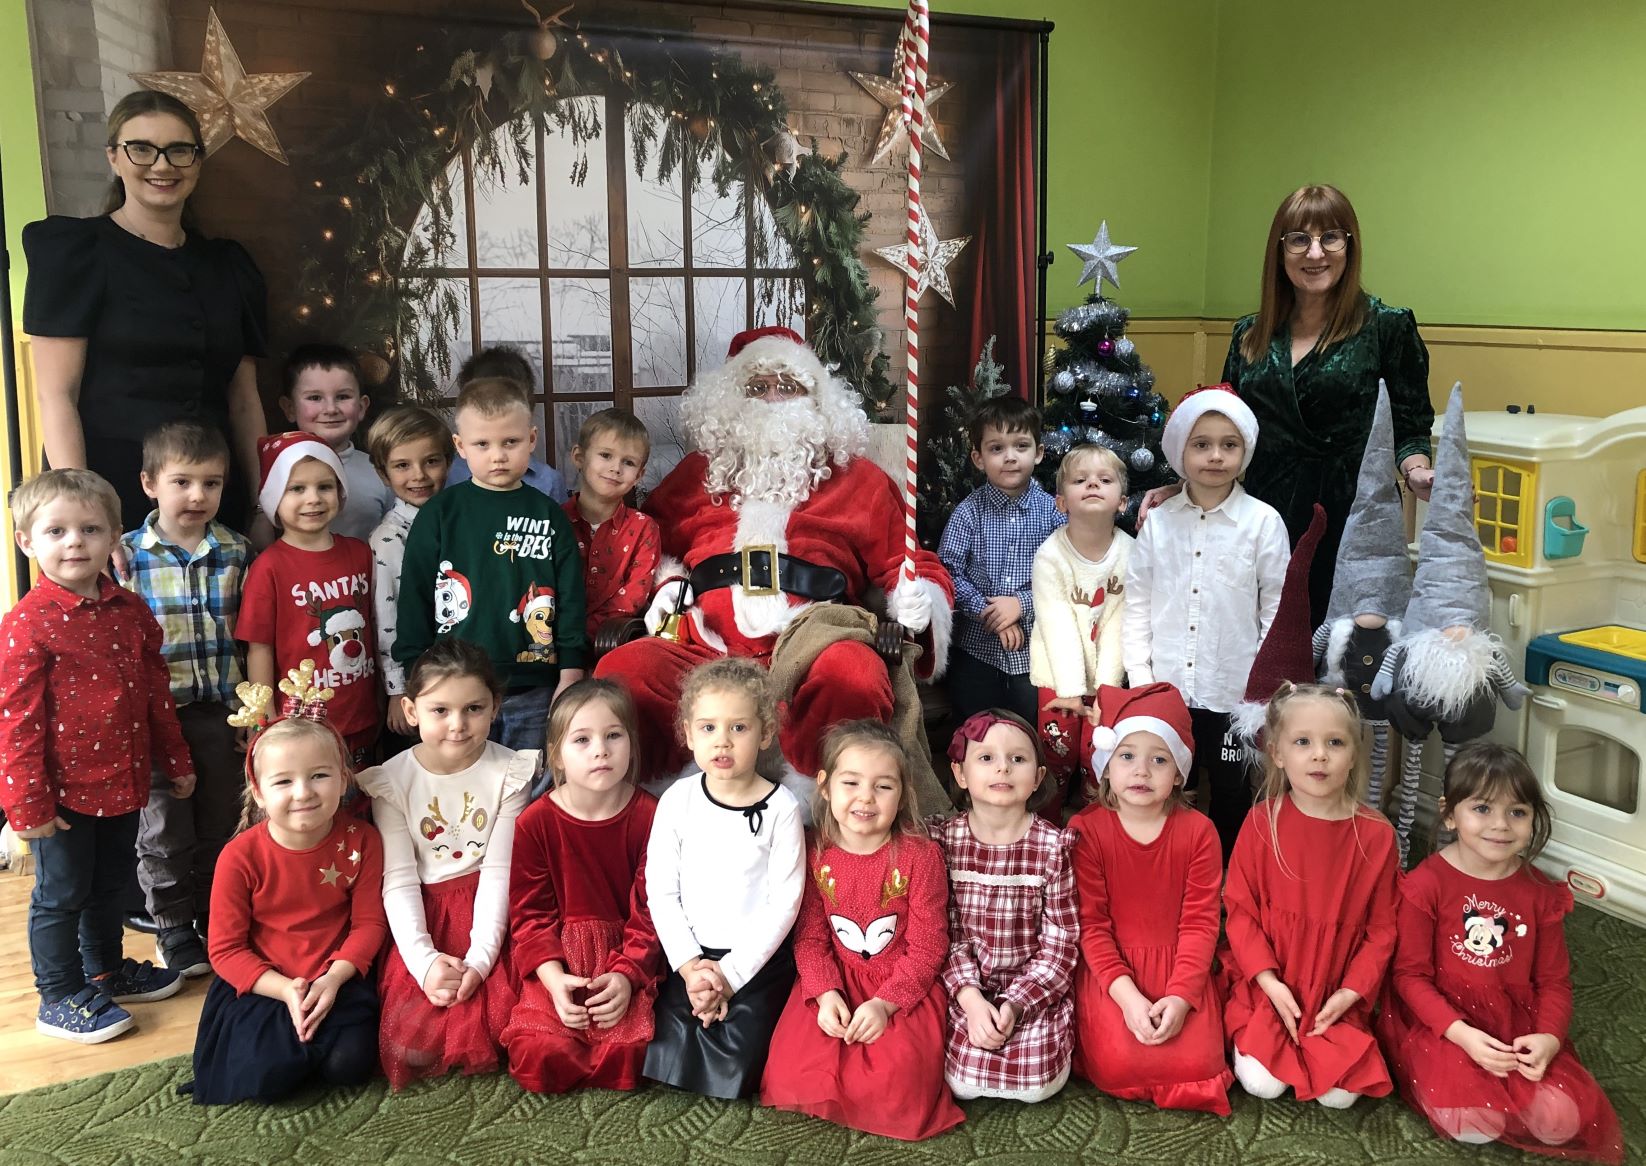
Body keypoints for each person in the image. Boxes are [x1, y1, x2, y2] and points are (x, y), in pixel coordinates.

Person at [596, 327, 952, 797]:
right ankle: (663, 805)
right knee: (625, 671)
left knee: (854, 674)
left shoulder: (859, 479)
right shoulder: (695, 474)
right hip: (707, 645)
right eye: (756, 386)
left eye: (788, 386)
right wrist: (667, 581)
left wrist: (918, 596)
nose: (772, 398)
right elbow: (652, 543)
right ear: (730, 401)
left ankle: (819, 803)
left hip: (814, 639)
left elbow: (908, 561)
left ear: (816, 399)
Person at [1145, 185, 1434, 624]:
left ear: (1350, 245)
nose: (1315, 253)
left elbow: (1410, 425)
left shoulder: (1386, 327)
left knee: (1342, 645)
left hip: (1352, 518)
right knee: (1258, 635)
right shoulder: (1250, 334)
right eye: (1299, 239)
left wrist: (1417, 472)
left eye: (1330, 237)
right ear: (1280, 251)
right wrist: (1185, 483)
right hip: (1261, 512)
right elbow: (1224, 426)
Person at [1, 469, 193, 1042]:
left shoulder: (130, 611)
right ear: (26, 541)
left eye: (89, 529)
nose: (74, 543)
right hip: (60, 796)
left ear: (114, 537)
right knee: (61, 895)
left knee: (111, 884)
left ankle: (105, 971)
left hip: (125, 782)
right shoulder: (26, 625)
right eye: (56, 531)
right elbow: (17, 723)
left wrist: (176, 760)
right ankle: (58, 994)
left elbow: (156, 693)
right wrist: (26, 805)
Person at [23, 89, 267, 533]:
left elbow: (245, 402)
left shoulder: (228, 265)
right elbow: (57, 396)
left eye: (179, 150)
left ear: (197, 161)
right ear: (114, 157)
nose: (162, 165)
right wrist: (86, 515)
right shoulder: (75, 252)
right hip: (111, 492)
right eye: (142, 149)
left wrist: (260, 506)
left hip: (212, 495)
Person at [1378, 744, 1623, 1161]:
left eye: (1517, 812)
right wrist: (1462, 1034)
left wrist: (1548, 1038)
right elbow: (1409, 977)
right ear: (1450, 814)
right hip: (1443, 1022)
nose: (1501, 825)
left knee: (1561, 1122)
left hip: (1515, 1022)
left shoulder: (1540, 892)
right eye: (1482, 808)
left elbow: (1554, 982)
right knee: (1472, 1124)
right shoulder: (1425, 884)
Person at [761, 721, 963, 1141]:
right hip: (834, 977)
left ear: (903, 794)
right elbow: (810, 937)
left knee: (898, 1082)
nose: (866, 797)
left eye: (883, 786)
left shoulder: (920, 856)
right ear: (825, 786)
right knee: (791, 1070)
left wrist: (885, 1005)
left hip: (900, 987)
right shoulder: (813, 850)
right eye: (851, 782)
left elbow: (928, 946)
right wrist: (825, 993)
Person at [185, 694, 386, 1104]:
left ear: (343, 779)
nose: (303, 792)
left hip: (337, 978)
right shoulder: (239, 857)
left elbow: (369, 924)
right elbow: (225, 950)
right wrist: (286, 990)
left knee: (349, 1065)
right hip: (265, 983)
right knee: (266, 1078)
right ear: (258, 792)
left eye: (319, 775)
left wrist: (333, 979)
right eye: (283, 781)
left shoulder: (363, 840)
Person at [354, 640, 533, 1089]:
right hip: (426, 915)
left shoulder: (510, 772)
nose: (458, 724)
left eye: (474, 708)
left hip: (493, 911)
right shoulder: (392, 781)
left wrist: (481, 958)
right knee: (411, 1038)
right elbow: (398, 880)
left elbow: (499, 871)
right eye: (440, 710)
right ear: (411, 711)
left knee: (514, 1020)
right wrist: (424, 961)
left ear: (495, 707)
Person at [1124, 386, 1290, 860]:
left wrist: (1262, 686)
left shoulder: (1263, 523)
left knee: (1232, 791)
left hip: (1233, 693)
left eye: (1228, 444)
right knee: (1165, 787)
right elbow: (1137, 603)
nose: (1216, 456)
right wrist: (1142, 681)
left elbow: (1276, 610)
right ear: (1181, 450)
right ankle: (1169, 868)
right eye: (1202, 444)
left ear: (1245, 451)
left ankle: (1225, 877)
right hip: (1166, 688)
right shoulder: (1159, 523)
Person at [1222, 682, 1398, 1109]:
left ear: (1353, 754)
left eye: (1335, 742)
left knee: (1341, 1097)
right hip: (1270, 984)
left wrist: (1351, 993)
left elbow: (1382, 931)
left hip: (1336, 992)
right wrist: (1268, 981)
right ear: (1278, 753)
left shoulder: (1376, 835)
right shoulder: (1261, 821)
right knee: (1263, 1084)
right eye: (1303, 742)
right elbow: (1241, 914)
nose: (1320, 755)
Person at [395, 377, 587, 754]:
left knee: (528, 779)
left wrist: (571, 672)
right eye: (482, 444)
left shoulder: (549, 514)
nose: (497, 455)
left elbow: (570, 598)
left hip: (533, 686)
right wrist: (416, 675)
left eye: (510, 442)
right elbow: (414, 598)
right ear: (460, 446)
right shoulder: (439, 514)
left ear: (531, 440)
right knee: (459, 777)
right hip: (452, 688)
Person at [643, 658, 805, 1100]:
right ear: (688, 734)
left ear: (765, 734)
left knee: (740, 1062)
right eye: (709, 727)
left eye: (739, 727)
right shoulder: (677, 801)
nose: (723, 741)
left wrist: (730, 976)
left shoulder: (782, 809)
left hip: (755, 962)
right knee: (664, 1046)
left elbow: (785, 903)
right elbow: (661, 891)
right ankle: (698, 993)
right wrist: (691, 968)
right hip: (688, 958)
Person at [1068, 683, 1232, 1115]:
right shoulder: (1087, 831)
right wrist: (1127, 998)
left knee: (1200, 1065)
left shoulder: (1199, 833)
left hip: (1181, 965)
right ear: (1106, 767)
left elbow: (1201, 924)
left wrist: (1181, 997)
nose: (1141, 771)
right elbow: (1091, 926)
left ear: (1178, 773)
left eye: (1159, 759)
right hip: (1113, 972)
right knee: (1119, 1064)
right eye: (1127, 756)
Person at [122, 422, 249, 977]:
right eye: (182, 482)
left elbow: (250, 636)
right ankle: (172, 925)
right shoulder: (125, 556)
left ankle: (213, 917)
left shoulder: (237, 550)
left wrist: (251, 711)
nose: (198, 495)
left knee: (222, 820)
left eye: (211, 483)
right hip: (157, 719)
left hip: (223, 712)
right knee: (164, 828)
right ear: (150, 483)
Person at [501, 678, 662, 1094]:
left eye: (614, 735)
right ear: (557, 754)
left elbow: (652, 910)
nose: (600, 750)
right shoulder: (535, 822)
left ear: (632, 744)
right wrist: (554, 980)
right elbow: (530, 915)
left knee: (629, 1057)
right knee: (539, 1056)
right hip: (560, 960)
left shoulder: (651, 816)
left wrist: (626, 976)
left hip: (624, 956)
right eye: (582, 739)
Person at [937, 709, 1079, 1103]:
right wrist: (971, 1000)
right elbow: (941, 933)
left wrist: (1016, 1005)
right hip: (965, 987)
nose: (1003, 768)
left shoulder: (1052, 848)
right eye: (986, 758)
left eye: (1017, 759)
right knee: (962, 1081)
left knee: (1037, 1085)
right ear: (960, 774)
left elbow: (1061, 945)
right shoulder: (943, 842)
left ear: (1037, 777)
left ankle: (1020, 1024)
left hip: (1029, 990)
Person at [237, 433, 378, 763]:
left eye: (324, 487)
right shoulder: (268, 567)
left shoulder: (361, 553)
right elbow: (259, 648)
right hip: (300, 728)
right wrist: (263, 719)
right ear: (274, 497)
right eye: (297, 489)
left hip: (362, 719)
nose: (313, 498)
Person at [939, 396, 1065, 727]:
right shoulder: (968, 513)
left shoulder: (1054, 514)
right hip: (976, 652)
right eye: (997, 448)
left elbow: (1067, 575)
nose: (1010, 456)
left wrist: (1021, 604)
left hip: (1036, 656)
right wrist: (990, 613)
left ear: (1038, 452)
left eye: (1021, 446)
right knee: (973, 730)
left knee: (1030, 732)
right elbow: (948, 572)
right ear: (979, 458)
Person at [1030, 443, 1132, 810]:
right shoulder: (1050, 556)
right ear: (1061, 502)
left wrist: (1107, 691)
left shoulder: (1131, 554)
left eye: (1104, 480)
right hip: (1057, 679)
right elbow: (1056, 623)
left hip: (1107, 679)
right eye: (1080, 480)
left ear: (1122, 502)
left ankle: (1093, 825)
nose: (1092, 485)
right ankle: (1048, 826)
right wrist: (1072, 689)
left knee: (1097, 757)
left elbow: (1120, 624)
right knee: (1056, 756)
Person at [365, 405, 455, 745]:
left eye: (431, 461)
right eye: (402, 465)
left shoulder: (458, 519)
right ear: (383, 473)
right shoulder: (387, 539)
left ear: (448, 461)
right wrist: (397, 689)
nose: (419, 475)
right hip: (418, 680)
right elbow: (386, 616)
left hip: (462, 669)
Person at [562, 408, 661, 642]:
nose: (616, 468)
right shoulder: (555, 521)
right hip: (551, 638)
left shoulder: (644, 528)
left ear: (639, 476)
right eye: (606, 455)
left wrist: (584, 633)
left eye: (628, 462)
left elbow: (633, 598)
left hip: (612, 642)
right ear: (579, 457)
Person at [279, 344, 395, 542]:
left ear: (361, 407)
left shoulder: (380, 472)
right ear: (289, 408)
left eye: (342, 397)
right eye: (315, 397)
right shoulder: (278, 470)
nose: (331, 409)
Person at [443, 347, 568, 502]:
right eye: (483, 399)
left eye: (510, 399)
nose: (497, 456)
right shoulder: (448, 475)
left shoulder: (548, 481)